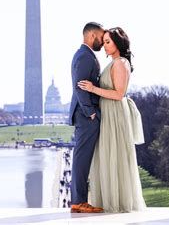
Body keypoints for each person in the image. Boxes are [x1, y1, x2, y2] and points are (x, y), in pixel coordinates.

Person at [78, 27, 146, 213]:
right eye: (104, 41)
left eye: (108, 42)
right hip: (108, 112)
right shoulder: (115, 63)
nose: (104, 45)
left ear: (118, 43)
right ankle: (109, 200)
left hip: (115, 113)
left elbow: (118, 94)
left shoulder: (120, 63)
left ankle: (118, 202)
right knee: (109, 156)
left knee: (115, 156)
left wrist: (92, 89)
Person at [68, 22, 105, 213]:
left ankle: (78, 200)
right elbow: (80, 86)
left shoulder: (85, 55)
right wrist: (90, 112)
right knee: (82, 159)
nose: (102, 42)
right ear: (91, 36)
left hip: (85, 114)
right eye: (100, 37)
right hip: (85, 115)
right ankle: (78, 201)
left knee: (83, 157)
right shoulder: (84, 56)